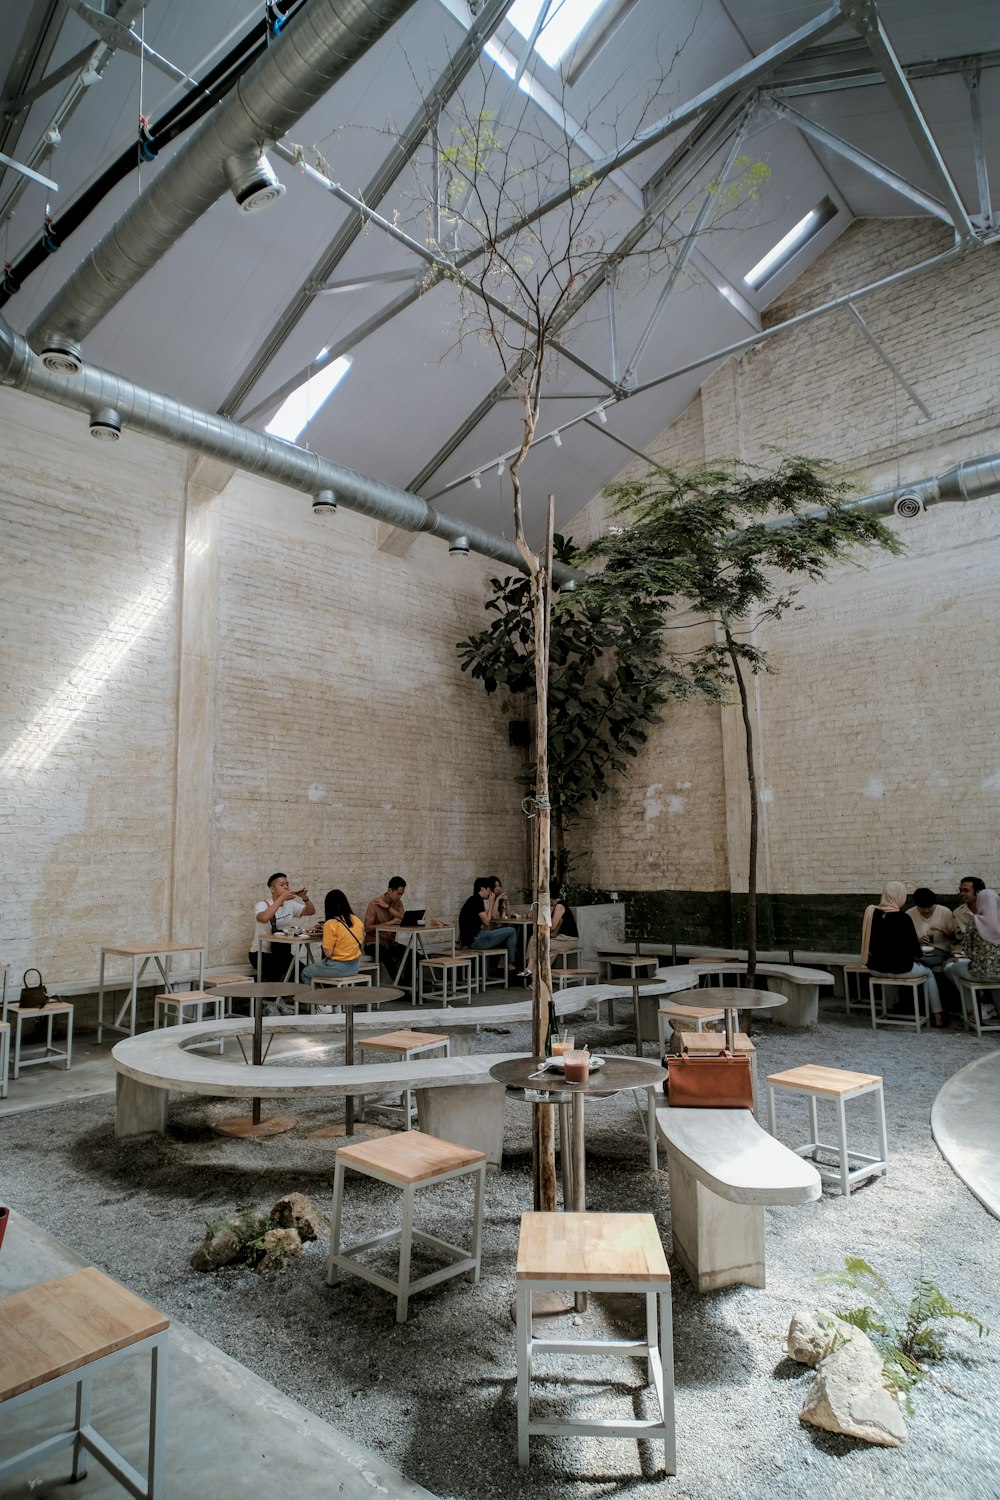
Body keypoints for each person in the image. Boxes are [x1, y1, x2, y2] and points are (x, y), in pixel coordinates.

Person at [861, 881, 943, 1024]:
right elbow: (916, 952)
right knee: (929, 973)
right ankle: (938, 1017)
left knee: (890, 972)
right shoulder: (904, 918)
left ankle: (888, 1009)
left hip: (875, 968)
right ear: (900, 897)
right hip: (902, 969)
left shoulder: (873, 914)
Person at [249, 872, 315, 984]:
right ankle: (273, 999)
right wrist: (281, 899)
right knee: (277, 972)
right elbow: (263, 918)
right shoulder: (262, 904)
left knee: (303, 972)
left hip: (281, 952)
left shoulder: (290, 904)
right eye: (282, 884)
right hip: (261, 953)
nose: (286, 887)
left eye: (287, 884)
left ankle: (292, 998)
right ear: (272, 889)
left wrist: (305, 898)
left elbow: (310, 911)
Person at [944, 888, 1000, 1020]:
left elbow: (968, 950)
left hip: (979, 972)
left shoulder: (975, 921)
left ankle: (974, 1009)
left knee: (953, 968)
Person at [459, 877, 523, 976]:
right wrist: (492, 901)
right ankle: (510, 963)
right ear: (482, 889)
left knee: (506, 935)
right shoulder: (477, 900)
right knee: (511, 931)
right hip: (476, 939)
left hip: (470, 940)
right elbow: (487, 922)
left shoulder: (472, 900)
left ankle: (503, 963)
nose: (489, 893)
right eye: (489, 890)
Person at [300, 889, 365, 981]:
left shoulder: (330, 924)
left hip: (338, 968)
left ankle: (319, 995)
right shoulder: (357, 920)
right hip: (355, 967)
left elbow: (328, 953)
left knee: (305, 972)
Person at [523, 882, 579, 980]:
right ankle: (537, 974)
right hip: (561, 939)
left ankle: (531, 969)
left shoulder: (560, 906)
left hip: (568, 940)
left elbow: (552, 927)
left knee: (534, 940)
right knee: (541, 947)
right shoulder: (557, 905)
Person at [364, 877, 409, 981]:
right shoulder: (374, 904)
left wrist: (388, 908)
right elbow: (367, 928)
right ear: (390, 890)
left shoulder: (398, 903)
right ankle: (402, 987)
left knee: (414, 956)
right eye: (398, 893)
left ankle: (406, 984)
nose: (400, 896)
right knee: (388, 958)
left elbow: (403, 918)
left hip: (390, 943)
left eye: (402, 894)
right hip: (373, 943)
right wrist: (388, 923)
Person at [905, 888, 957, 969]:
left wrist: (942, 929)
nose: (926, 910)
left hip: (940, 951)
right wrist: (917, 941)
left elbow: (955, 937)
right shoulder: (909, 914)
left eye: (929, 907)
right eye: (922, 907)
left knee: (921, 962)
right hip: (917, 951)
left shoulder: (945, 912)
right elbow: (905, 939)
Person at [953, 876, 986, 941]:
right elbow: (959, 937)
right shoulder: (957, 913)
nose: (962, 893)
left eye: (966, 890)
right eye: (960, 890)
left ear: (978, 892)